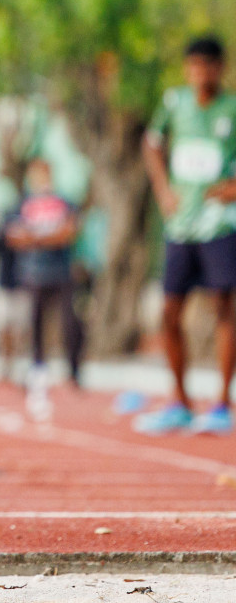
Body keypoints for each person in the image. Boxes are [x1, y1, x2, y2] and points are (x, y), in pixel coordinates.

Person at [138, 35, 236, 436]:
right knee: (169, 310)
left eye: (208, 65)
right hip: (181, 226)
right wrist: (163, 189)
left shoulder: (231, 108)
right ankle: (179, 399)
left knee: (223, 308)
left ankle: (222, 402)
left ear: (220, 68)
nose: (201, 73)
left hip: (219, 223)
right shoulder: (174, 103)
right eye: (194, 65)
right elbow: (151, 143)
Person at [5, 159, 83, 418]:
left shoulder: (64, 202)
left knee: (70, 324)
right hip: (32, 275)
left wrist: (36, 237)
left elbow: (69, 231)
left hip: (61, 273)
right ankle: (37, 371)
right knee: (34, 325)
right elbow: (13, 235)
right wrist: (47, 237)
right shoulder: (22, 203)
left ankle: (74, 373)